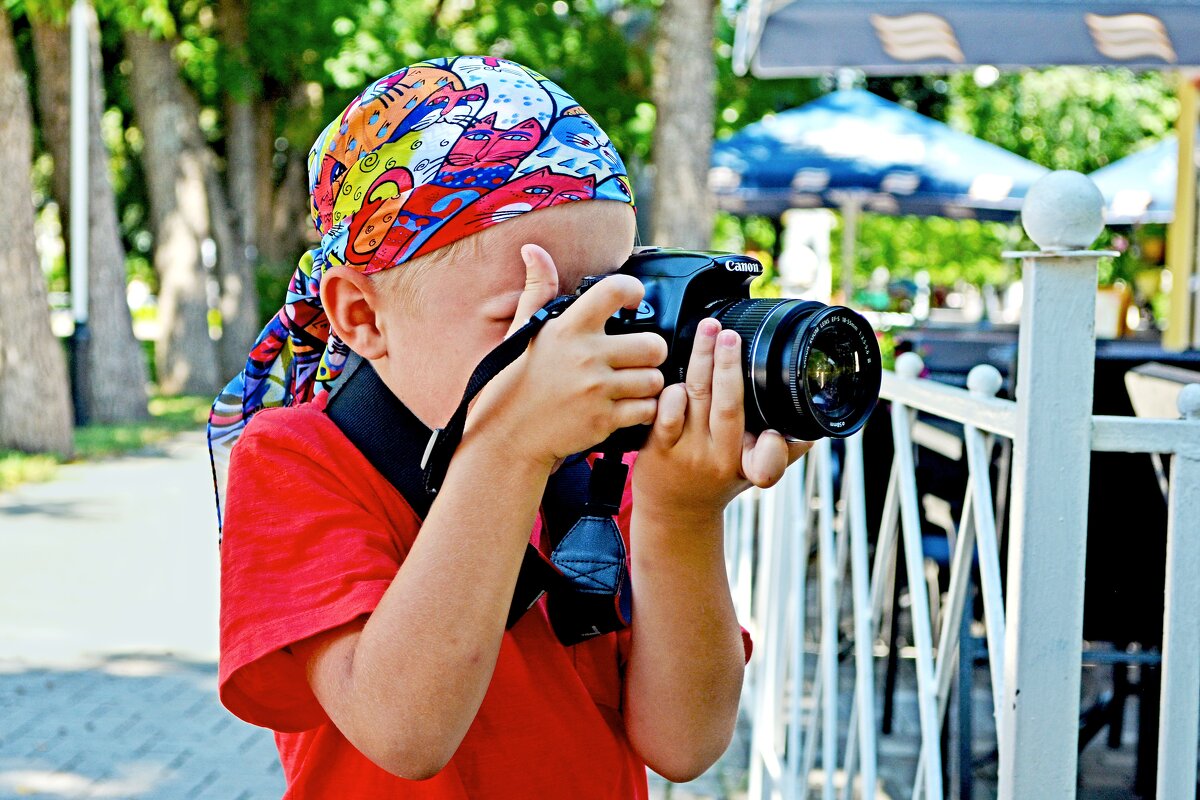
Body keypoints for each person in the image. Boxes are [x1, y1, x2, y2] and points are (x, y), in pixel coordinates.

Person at [209, 55, 808, 798]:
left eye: (609, 307)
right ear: (362, 316)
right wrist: (510, 445)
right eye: (534, 314)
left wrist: (681, 511)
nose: (580, 348)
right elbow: (405, 732)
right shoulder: (299, 460)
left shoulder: (604, 464)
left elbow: (683, 745)